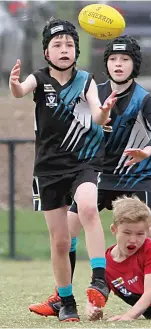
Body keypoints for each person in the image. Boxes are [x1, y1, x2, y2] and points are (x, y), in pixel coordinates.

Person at [28, 35, 151, 317]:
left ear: (135, 65)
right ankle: (62, 296)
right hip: (97, 174)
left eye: (125, 59)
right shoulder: (91, 90)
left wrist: (146, 151)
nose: (118, 64)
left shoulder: (142, 97)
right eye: (112, 59)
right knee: (66, 234)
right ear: (105, 63)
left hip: (135, 175)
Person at [9, 19, 118, 322]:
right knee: (59, 241)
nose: (64, 49)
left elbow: (97, 113)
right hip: (48, 168)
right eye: (57, 45)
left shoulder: (85, 80)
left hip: (84, 161)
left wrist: (104, 111)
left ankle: (99, 279)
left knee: (88, 208)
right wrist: (15, 85)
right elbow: (20, 92)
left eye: (69, 44)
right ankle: (65, 300)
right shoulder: (40, 78)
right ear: (47, 52)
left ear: (76, 50)